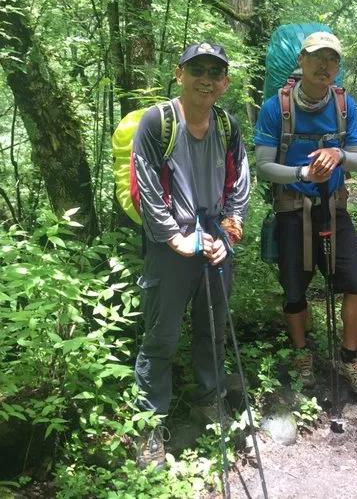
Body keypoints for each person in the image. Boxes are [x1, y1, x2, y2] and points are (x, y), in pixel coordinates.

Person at [132, 42, 250, 469]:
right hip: (171, 247)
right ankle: (149, 423)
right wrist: (173, 237)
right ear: (179, 73)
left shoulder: (226, 125)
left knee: (212, 328)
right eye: (197, 69)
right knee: (160, 336)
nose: (206, 79)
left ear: (225, 82)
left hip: (216, 238)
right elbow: (144, 182)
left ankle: (209, 401)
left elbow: (239, 183)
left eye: (215, 72)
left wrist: (230, 232)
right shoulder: (158, 122)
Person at [254, 31, 357, 395]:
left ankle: (350, 357)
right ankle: (302, 354)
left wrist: (337, 155)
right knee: (294, 290)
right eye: (318, 58)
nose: (325, 66)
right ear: (301, 61)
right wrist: (302, 173)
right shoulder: (278, 107)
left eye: (332, 59)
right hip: (292, 210)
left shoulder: (343, 104)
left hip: (333, 208)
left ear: (338, 67)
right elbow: (262, 165)